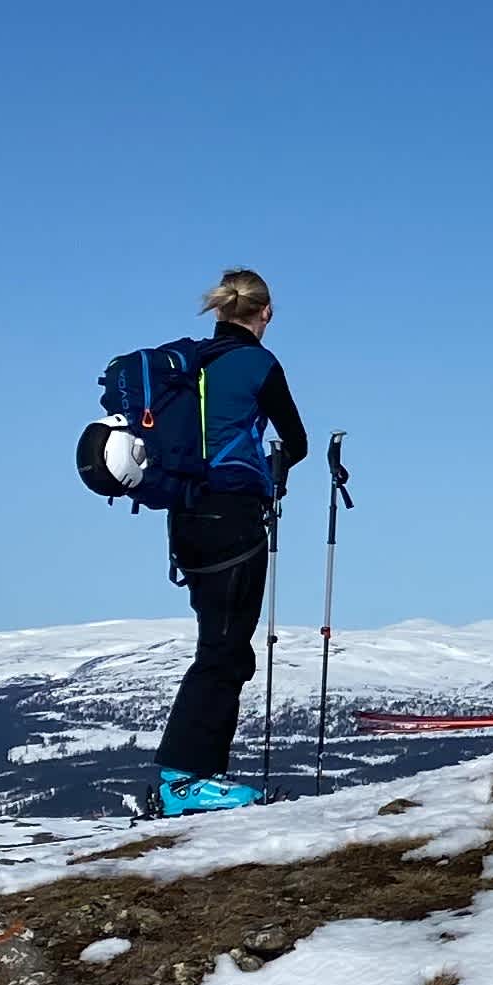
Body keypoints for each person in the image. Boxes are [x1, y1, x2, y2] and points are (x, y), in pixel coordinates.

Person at [150, 270, 307, 815]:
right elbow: (298, 440)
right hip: (233, 511)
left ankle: (196, 774)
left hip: (184, 514)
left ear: (219, 311)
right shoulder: (259, 364)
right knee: (225, 646)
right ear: (265, 313)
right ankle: (185, 781)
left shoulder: (188, 362)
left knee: (217, 641)